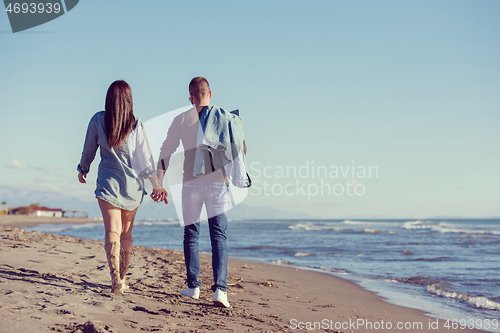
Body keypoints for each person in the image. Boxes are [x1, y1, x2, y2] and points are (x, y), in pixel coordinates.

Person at [157, 77, 248, 308]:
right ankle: (220, 291)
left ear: (190, 96)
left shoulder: (182, 119)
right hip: (217, 182)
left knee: (191, 235)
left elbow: (166, 150)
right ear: (210, 93)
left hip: (190, 184)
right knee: (219, 236)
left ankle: (193, 287)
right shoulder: (226, 118)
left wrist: (158, 181)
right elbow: (240, 147)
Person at [77, 80, 167, 294]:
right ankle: (123, 279)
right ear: (129, 100)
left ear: (109, 98)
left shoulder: (98, 119)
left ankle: (115, 277)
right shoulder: (136, 124)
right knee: (126, 235)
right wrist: (157, 185)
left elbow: (88, 148)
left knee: (112, 231)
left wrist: (83, 168)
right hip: (132, 188)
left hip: (107, 185)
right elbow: (145, 161)